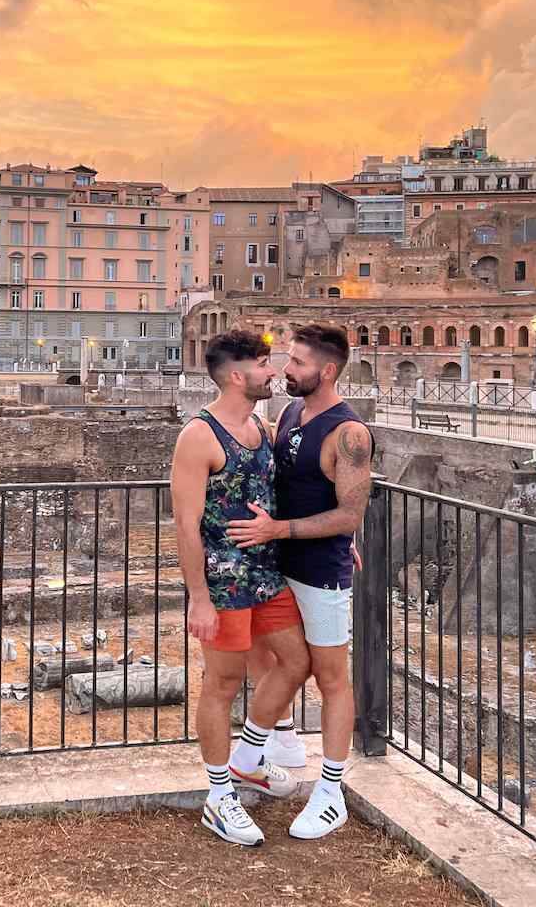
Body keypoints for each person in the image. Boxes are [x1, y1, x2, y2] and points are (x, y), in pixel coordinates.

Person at [229, 323, 374, 841]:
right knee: (279, 659)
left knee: (332, 678)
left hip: (320, 573)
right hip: (280, 561)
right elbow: (294, 481)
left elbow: (348, 515)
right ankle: (262, 750)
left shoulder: (350, 434)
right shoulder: (292, 411)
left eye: (297, 363)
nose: (287, 370)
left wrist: (283, 529)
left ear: (327, 371)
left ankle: (331, 792)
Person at [172, 328, 312, 846]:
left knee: (297, 663)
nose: (272, 371)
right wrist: (199, 598)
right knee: (222, 684)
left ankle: (248, 760)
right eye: (262, 364)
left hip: (268, 574)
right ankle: (218, 795)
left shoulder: (261, 426)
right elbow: (186, 525)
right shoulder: (199, 436)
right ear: (237, 375)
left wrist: (340, 540)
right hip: (225, 583)